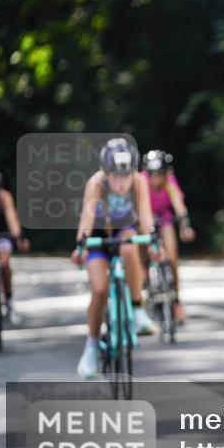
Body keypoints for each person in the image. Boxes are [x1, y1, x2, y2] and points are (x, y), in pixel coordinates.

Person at [71, 138, 162, 379]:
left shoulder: (139, 182)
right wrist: (80, 246)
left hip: (125, 230)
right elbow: (87, 222)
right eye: (115, 176)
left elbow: (145, 216)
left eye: (125, 175)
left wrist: (153, 242)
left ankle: (137, 309)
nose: (121, 183)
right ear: (105, 171)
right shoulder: (96, 184)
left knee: (130, 247)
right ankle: (91, 346)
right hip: (99, 236)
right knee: (99, 290)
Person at [142, 150, 195, 322]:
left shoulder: (169, 182)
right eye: (153, 174)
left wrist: (185, 226)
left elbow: (178, 204)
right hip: (144, 219)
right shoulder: (141, 181)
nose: (156, 178)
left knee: (172, 258)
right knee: (143, 255)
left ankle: (176, 301)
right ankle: (142, 292)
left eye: (160, 174)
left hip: (163, 218)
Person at [0, 168, 30, 323]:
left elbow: (12, 219)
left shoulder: (5, 197)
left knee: (4, 263)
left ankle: (9, 301)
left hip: (3, 233)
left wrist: (19, 238)